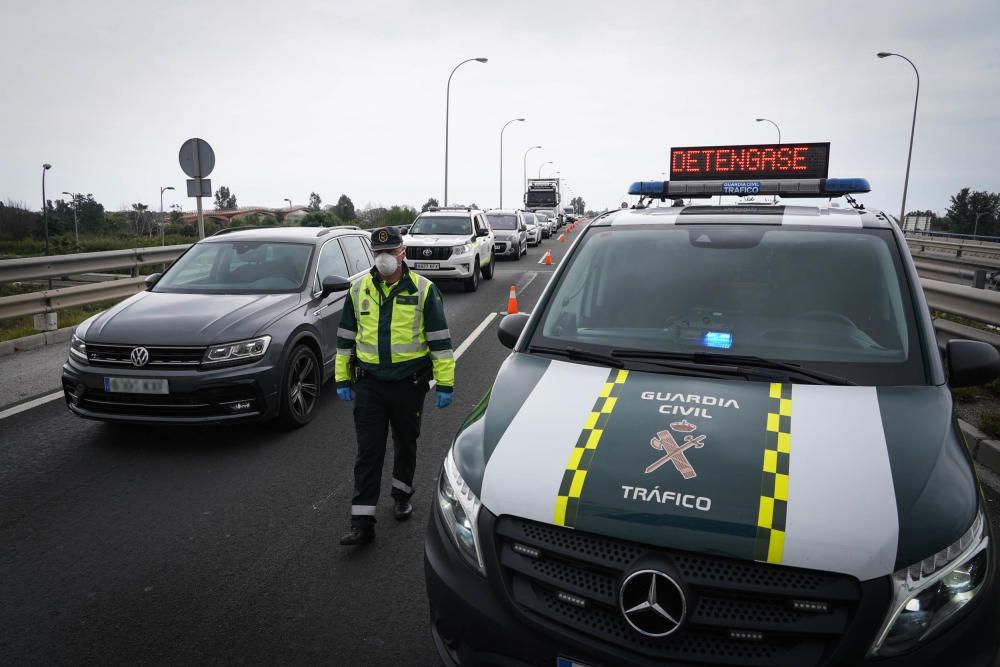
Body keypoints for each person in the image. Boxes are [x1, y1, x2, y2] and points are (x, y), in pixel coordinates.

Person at [334, 226, 455, 546]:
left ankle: (401, 495)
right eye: (378, 253)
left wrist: (445, 383)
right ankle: (362, 522)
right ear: (372, 255)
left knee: (405, 442)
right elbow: (345, 339)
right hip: (370, 386)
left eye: (391, 251)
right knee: (368, 452)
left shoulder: (424, 290)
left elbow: (440, 343)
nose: (385, 258)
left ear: (403, 252)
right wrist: (342, 377)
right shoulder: (359, 290)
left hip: (408, 385)